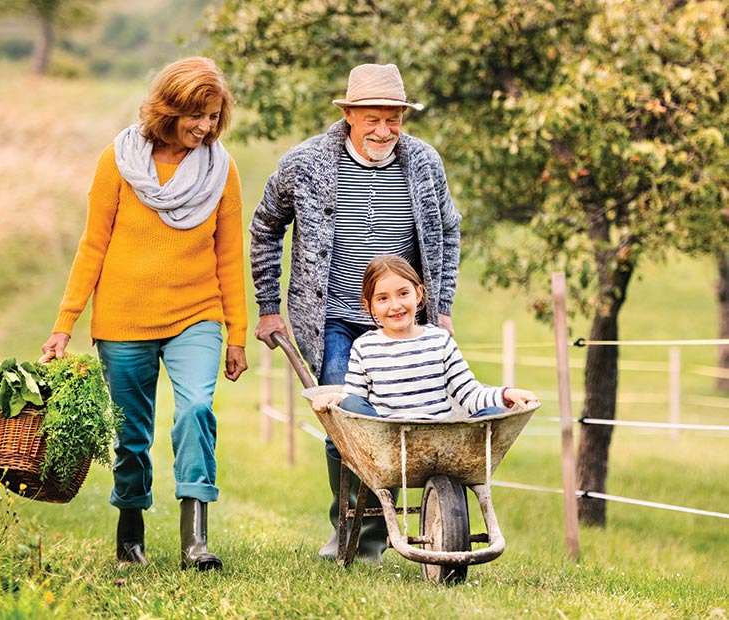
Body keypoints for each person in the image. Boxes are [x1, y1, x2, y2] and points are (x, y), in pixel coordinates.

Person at [41, 57, 248, 571]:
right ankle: (130, 531)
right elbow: (93, 245)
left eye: (213, 116)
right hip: (124, 319)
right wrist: (65, 323)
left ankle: (195, 540)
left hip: (196, 314)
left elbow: (228, 256)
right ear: (169, 108)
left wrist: (237, 333)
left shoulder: (222, 170)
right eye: (195, 115)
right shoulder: (119, 160)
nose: (205, 127)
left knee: (197, 409)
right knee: (131, 434)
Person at [250, 63, 461, 562]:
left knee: (411, 417)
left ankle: (398, 523)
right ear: (348, 115)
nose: (384, 131)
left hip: (402, 318)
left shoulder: (425, 163)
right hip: (332, 318)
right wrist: (267, 306)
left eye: (394, 120)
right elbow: (265, 227)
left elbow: (448, 231)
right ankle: (354, 534)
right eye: (373, 119)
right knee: (344, 417)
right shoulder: (305, 163)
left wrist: (443, 306)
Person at [311, 256, 539, 419]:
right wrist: (337, 399)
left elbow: (470, 394)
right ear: (368, 305)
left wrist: (506, 394)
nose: (395, 305)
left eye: (403, 293)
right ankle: (354, 486)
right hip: (386, 441)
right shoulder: (365, 347)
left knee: (492, 416)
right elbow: (355, 399)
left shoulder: (439, 341)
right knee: (350, 404)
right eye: (382, 298)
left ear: (418, 294)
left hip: (441, 440)